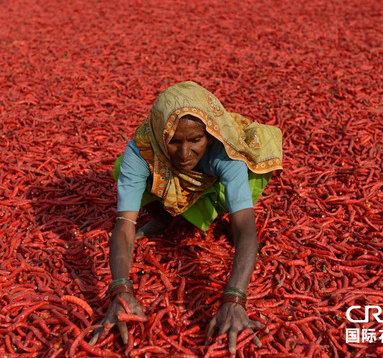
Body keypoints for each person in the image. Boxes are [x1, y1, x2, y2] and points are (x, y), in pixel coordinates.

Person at [89, 81, 283, 354]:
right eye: (174, 141)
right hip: (164, 175)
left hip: (213, 179)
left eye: (195, 140)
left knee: (252, 173)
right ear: (160, 134)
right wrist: (120, 290)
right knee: (122, 168)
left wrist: (234, 299)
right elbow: (124, 226)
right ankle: (163, 217)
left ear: (209, 135)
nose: (184, 153)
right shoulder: (142, 149)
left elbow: (247, 226)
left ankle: (219, 211)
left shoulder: (225, 152)